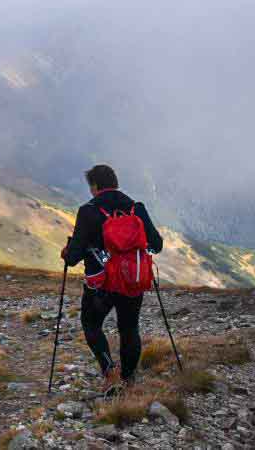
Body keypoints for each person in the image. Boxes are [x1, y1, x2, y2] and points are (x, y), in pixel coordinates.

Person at [62, 164, 163, 392]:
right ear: (115, 183)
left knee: (91, 324)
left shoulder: (88, 211)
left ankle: (110, 371)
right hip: (132, 280)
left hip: (101, 285)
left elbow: (73, 258)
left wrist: (68, 251)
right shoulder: (136, 208)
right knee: (129, 328)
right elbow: (157, 245)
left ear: (95, 187)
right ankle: (128, 378)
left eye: (91, 187)